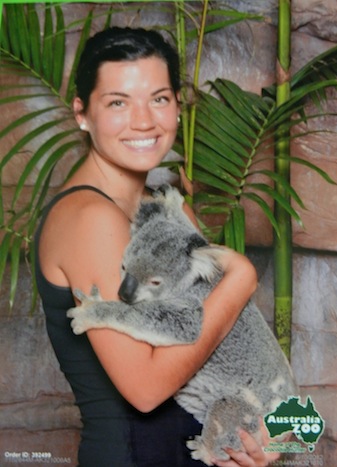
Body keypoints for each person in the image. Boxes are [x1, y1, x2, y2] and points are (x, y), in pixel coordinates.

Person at [35, 27, 278, 467]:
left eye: (159, 98)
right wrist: (241, 278)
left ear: (178, 108)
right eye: (117, 102)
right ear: (82, 113)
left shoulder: (161, 211)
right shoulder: (91, 218)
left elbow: (224, 338)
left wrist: (256, 434)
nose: (144, 120)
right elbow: (145, 389)